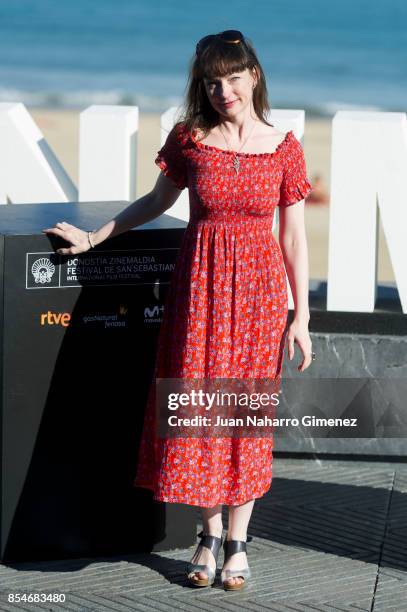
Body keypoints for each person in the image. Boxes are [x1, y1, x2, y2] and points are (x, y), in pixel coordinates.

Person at [42, 29, 315, 592]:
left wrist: (302, 315)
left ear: (253, 76)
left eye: (233, 78)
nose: (223, 90)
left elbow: (294, 237)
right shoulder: (190, 138)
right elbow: (156, 201)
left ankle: (238, 540)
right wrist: (95, 238)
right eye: (212, 81)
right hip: (201, 293)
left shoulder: (284, 145)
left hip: (261, 296)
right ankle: (207, 534)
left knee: (245, 415)